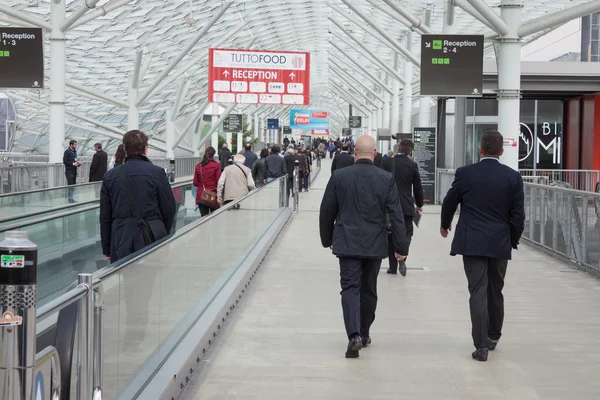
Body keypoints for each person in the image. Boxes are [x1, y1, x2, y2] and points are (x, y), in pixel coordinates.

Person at [319, 135, 409, 359]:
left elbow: (326, 211)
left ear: (355, 152)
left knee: (350, 288)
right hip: (375, 243)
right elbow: (396, 215)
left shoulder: (339, 176)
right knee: (369, 288)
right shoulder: (386, 178)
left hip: (347, 242)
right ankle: (366, 332)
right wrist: (401, 247)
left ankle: (354, 335)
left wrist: (327, 238)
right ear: (375, 153)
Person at [440, 130, 525, 362]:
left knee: (477, 290)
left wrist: (444, 224)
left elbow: (450, 201)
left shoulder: (466, 174)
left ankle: (480, 346)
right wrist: (512, 239)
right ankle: (493, 336)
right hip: (499, 242)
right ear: (501, 151)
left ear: (480, 149)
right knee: (496, 290)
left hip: (472, 241)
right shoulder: (512, 177)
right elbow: (518, 215)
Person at [100, 130, 176, 263]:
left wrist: (106, 247)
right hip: (151, 235)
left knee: (124, 278)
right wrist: (162, 232)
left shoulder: (110, 176)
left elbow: (105, 215)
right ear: (146, 149)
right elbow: (169, 208)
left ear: (124, 148)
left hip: (121, 236)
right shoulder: (157, 173)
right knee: (149, 277)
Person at [383, 140, 424, 276]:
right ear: (410, 151)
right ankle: (402, 257)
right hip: (406, 206)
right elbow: (417, 187)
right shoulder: (412, 165)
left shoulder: (388, 162)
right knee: (406, 233)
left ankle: (392, 267)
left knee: (390, 234)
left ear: (398, 149)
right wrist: (419, 204)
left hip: (390, 204)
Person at [193, 147, 222, 217]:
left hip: (201, 195)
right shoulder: (216, 165)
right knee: (215, 218)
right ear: (213, 155)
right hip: (213, 195)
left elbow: (195, 183)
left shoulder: (198, 166)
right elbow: (219, 181)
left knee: (203, 218)